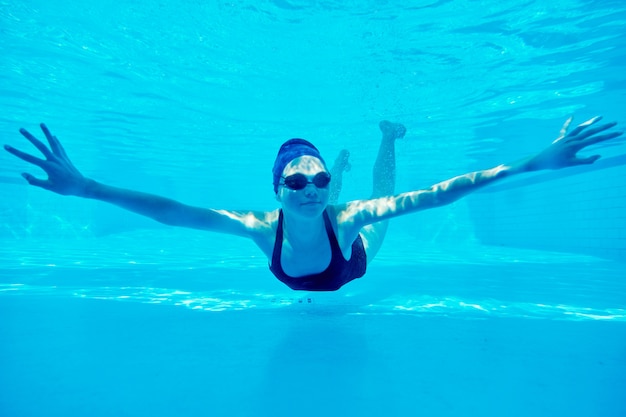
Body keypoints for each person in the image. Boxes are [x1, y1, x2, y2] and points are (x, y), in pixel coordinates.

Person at [3, 117, 622, 291]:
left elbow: (446, 192)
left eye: (318, 179)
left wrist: (535, 162)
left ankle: (387, 139)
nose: (307, 189)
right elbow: (173, 210)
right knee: (372, 204)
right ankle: (370, 151)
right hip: (312, 261)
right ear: (277, 190)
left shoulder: (343, 216)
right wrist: (88, 189)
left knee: (386, 209)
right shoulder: (257, 227)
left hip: (349, 263)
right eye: (295, 182)